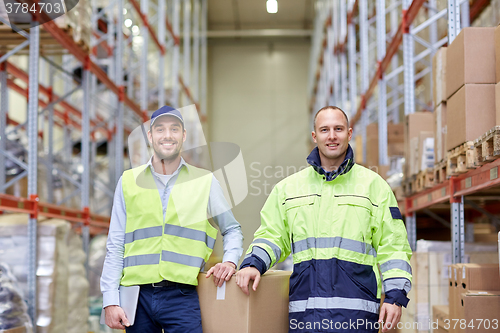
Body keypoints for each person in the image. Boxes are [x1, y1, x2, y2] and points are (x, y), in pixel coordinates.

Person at [236, 106, 412, 333]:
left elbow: (394, 246)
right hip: (305, 315)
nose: (331, 136)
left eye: (338, 129)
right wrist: (253, 264)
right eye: (324, 130)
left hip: (356, 316)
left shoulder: (374, 186)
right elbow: (272, 236)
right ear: (314, 136)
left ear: (349, 134)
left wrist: (395, 296)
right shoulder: (288, 189)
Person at [101, 106, 244, 332]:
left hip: (182, 295)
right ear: (150, 136)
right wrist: (110, 299)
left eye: (174, 129)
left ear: (183, 136)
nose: (167, 135)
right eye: (160, 129)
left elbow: (232, 229)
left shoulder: (204, 181)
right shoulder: (128, 181)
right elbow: (116, 244)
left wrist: (230, 261)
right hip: (136, 296)